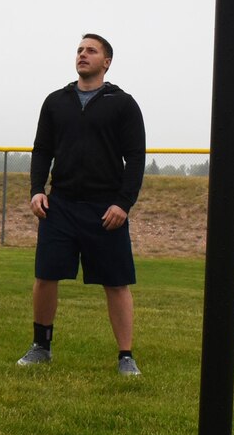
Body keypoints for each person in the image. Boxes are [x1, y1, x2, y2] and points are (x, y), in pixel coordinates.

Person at [19, 35, 146, 373]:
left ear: (107, 62)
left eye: (91, 51)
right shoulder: (56, 101)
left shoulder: (123, 103)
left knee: (116, 282)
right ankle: (40, 347)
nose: (82, 55)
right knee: (45, 277)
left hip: (106, 209)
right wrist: (36, 190)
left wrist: (124, 203)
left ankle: (126, 357)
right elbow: (42, 150)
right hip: (60, 205)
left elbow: (135, 158)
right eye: (79, 50)